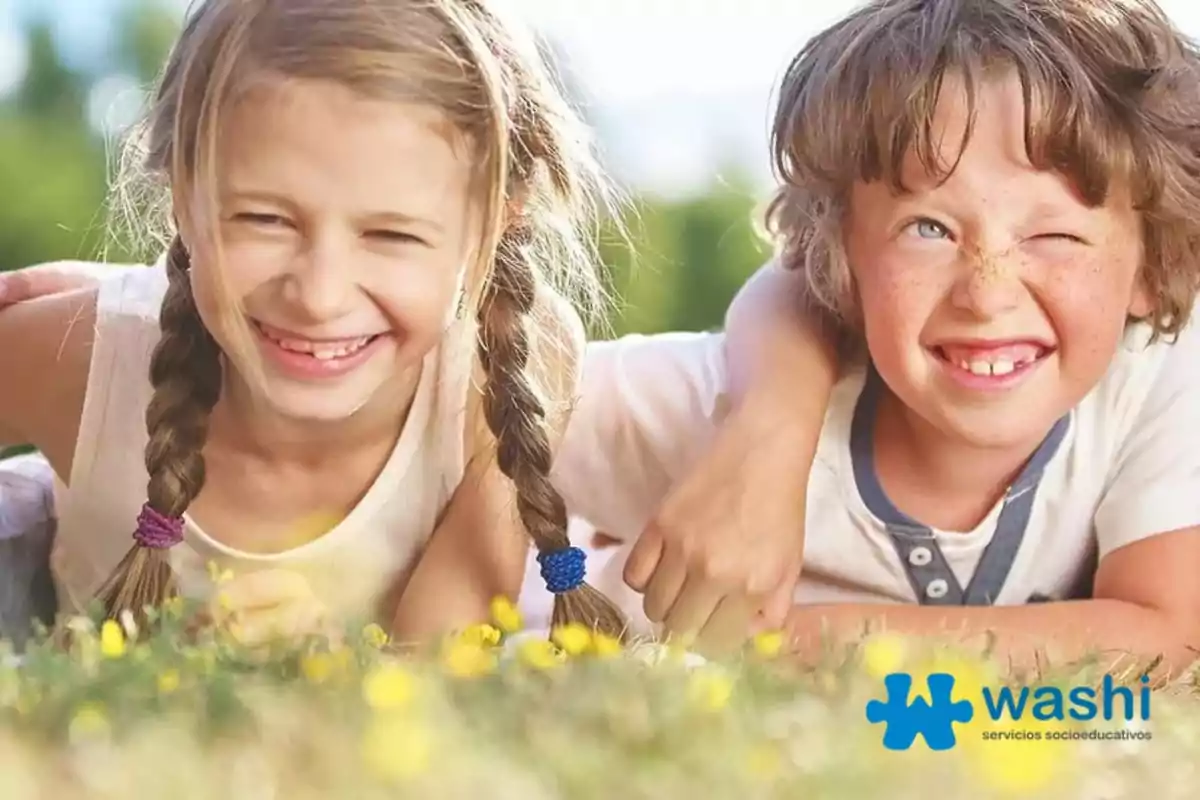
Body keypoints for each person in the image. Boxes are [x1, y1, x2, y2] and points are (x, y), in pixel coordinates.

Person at [0, 0, 827, 650]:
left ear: (493, 224)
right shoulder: (76, 358)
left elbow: (443, 654)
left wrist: (317, 665)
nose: (320, 294)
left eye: (391, 235)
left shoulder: (495, 383)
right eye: (263, 220)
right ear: (182, 193)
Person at [552, 0, 1200, 677]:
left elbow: (1167, 632)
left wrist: (799, 641)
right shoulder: (708, 403)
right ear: (842, 261)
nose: (987, 294)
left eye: (1055, 235)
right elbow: (485, 398)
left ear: (1153, 266)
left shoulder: (1160, 372)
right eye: (929, 229)